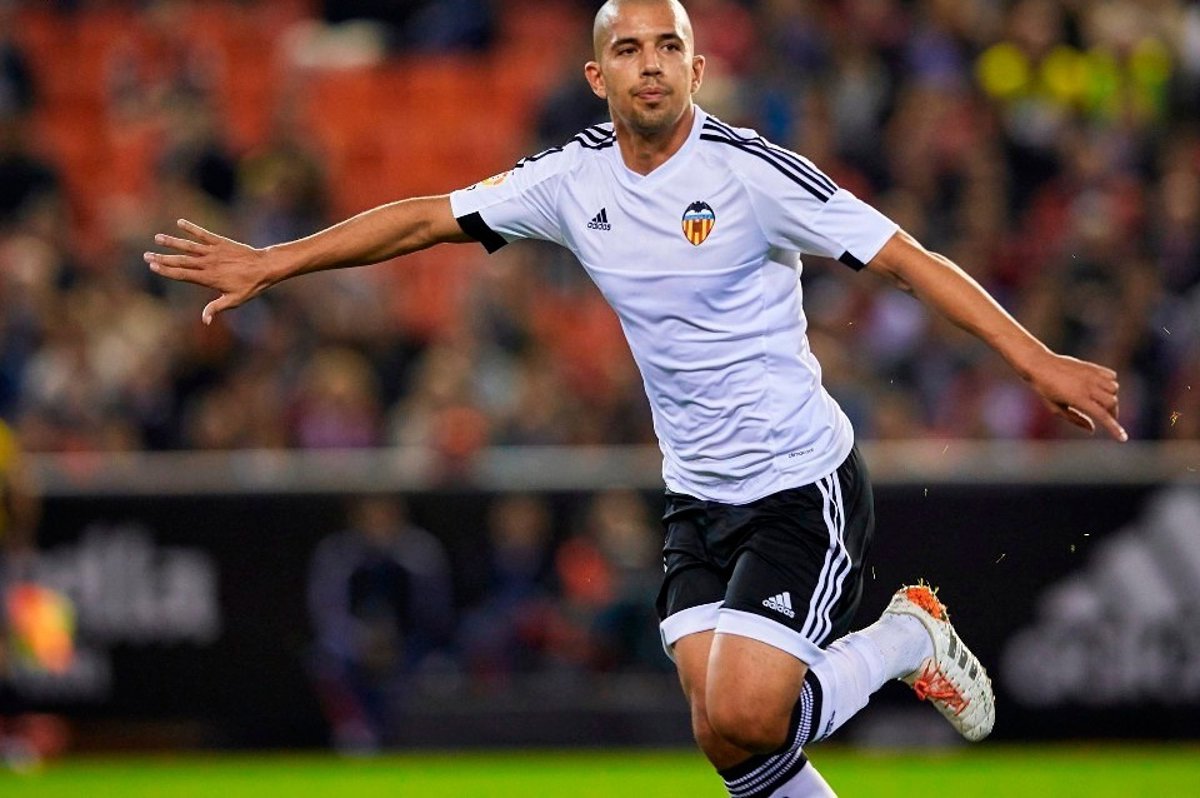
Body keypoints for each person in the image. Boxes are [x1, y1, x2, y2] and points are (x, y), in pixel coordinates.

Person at [146, 1, 1127, 793]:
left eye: (668, 47)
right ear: (597, 75)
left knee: (751, 715)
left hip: (798, 484)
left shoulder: (751, 173)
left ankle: (909, 636)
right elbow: (427, 219)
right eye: (628, 49)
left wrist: (1033, 359)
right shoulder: (571, 179)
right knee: (727, 741)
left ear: (698, 69)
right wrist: (276, 260)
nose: (650, 64)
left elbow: (904, 257)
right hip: (697, 495)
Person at [306, 495, 454, 752]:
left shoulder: (419, 550)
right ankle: (355, 729)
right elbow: (326, 610)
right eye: (371, 515)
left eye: (385, 514)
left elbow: (436, 612)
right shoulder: (337, 551)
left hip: (411, 643)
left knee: (440, 668)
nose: (378, 521)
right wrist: (360, 638)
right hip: (352, 645)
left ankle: (414, 733)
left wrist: (394, 640)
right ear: (356, 519)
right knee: (325, 659)